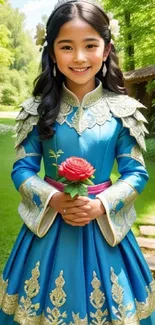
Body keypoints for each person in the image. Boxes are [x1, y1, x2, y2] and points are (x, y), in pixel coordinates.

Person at [0, 0, 155, 324]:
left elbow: (135, 172)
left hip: (104, 226)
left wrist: (101, 205)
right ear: (53, 52)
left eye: (90, 45)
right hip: (50, 225)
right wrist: (53, 198)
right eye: (67, 46)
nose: (80, 57)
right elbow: (23, 168)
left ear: (106, 48)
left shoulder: (124, 110)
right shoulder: (37, 110)